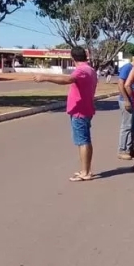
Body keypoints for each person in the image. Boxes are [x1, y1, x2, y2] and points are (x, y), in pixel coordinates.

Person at [33, 46, 98, 182]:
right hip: (85, 109)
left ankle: (85, 172)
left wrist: (45, 77)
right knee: (84, 140)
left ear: (72, 58)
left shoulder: (81, 70)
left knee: (83, 141)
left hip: (80, 111)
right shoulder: (90, 69)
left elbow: (67, 79)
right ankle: (85, 169)